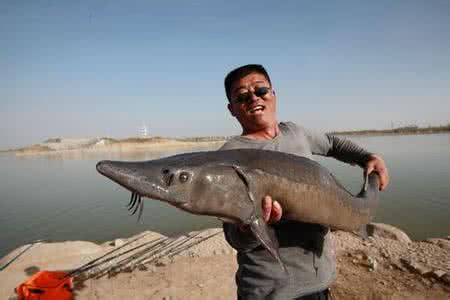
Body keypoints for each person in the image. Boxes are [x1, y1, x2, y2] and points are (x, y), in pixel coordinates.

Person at [219, 64, 389, 300]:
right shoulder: (229, 156)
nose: (253, 99)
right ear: (232, 109)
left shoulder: (295, 132)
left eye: (260, 91)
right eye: (242, 96)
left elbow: (332, 144)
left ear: (273, 94)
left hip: (320, 278)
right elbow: (235, 239)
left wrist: (367, 158)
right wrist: (251, 226)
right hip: (271, 289)